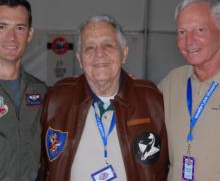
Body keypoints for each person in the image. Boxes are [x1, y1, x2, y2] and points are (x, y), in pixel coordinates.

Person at [40, 14, 169, 180]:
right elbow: (44, 166)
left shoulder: (152, 101)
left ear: (124, 53)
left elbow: (166, 167)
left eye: (108, 45)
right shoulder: (57, 99)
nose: (99, 53)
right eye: (90, 47)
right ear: (80, 59)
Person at [159, 0, 220, 181]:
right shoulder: (173, 81)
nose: (189, 41)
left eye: (199, 30)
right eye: (182, 32)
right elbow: (139, 108)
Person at [0, 0, 48, 181]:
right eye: (2, 27)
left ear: (29, 34)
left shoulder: (42, 92)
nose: (11, 37)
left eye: (19, 28)